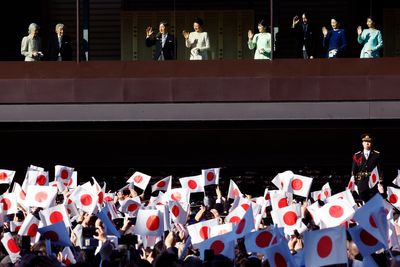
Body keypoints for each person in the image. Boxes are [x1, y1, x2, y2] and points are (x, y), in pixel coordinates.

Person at [351, 134, 382, 202]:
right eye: (365, 141)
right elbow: (354, 169)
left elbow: (379, 169)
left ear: (371, 143)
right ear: (362, 143)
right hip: (361, 182)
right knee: (363, 200)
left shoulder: (376, 155)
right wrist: (353, 180)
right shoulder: (357, 155)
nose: (367, 143)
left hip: (373, 181)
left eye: (369, 142)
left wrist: (380, 182)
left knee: (373, 201)